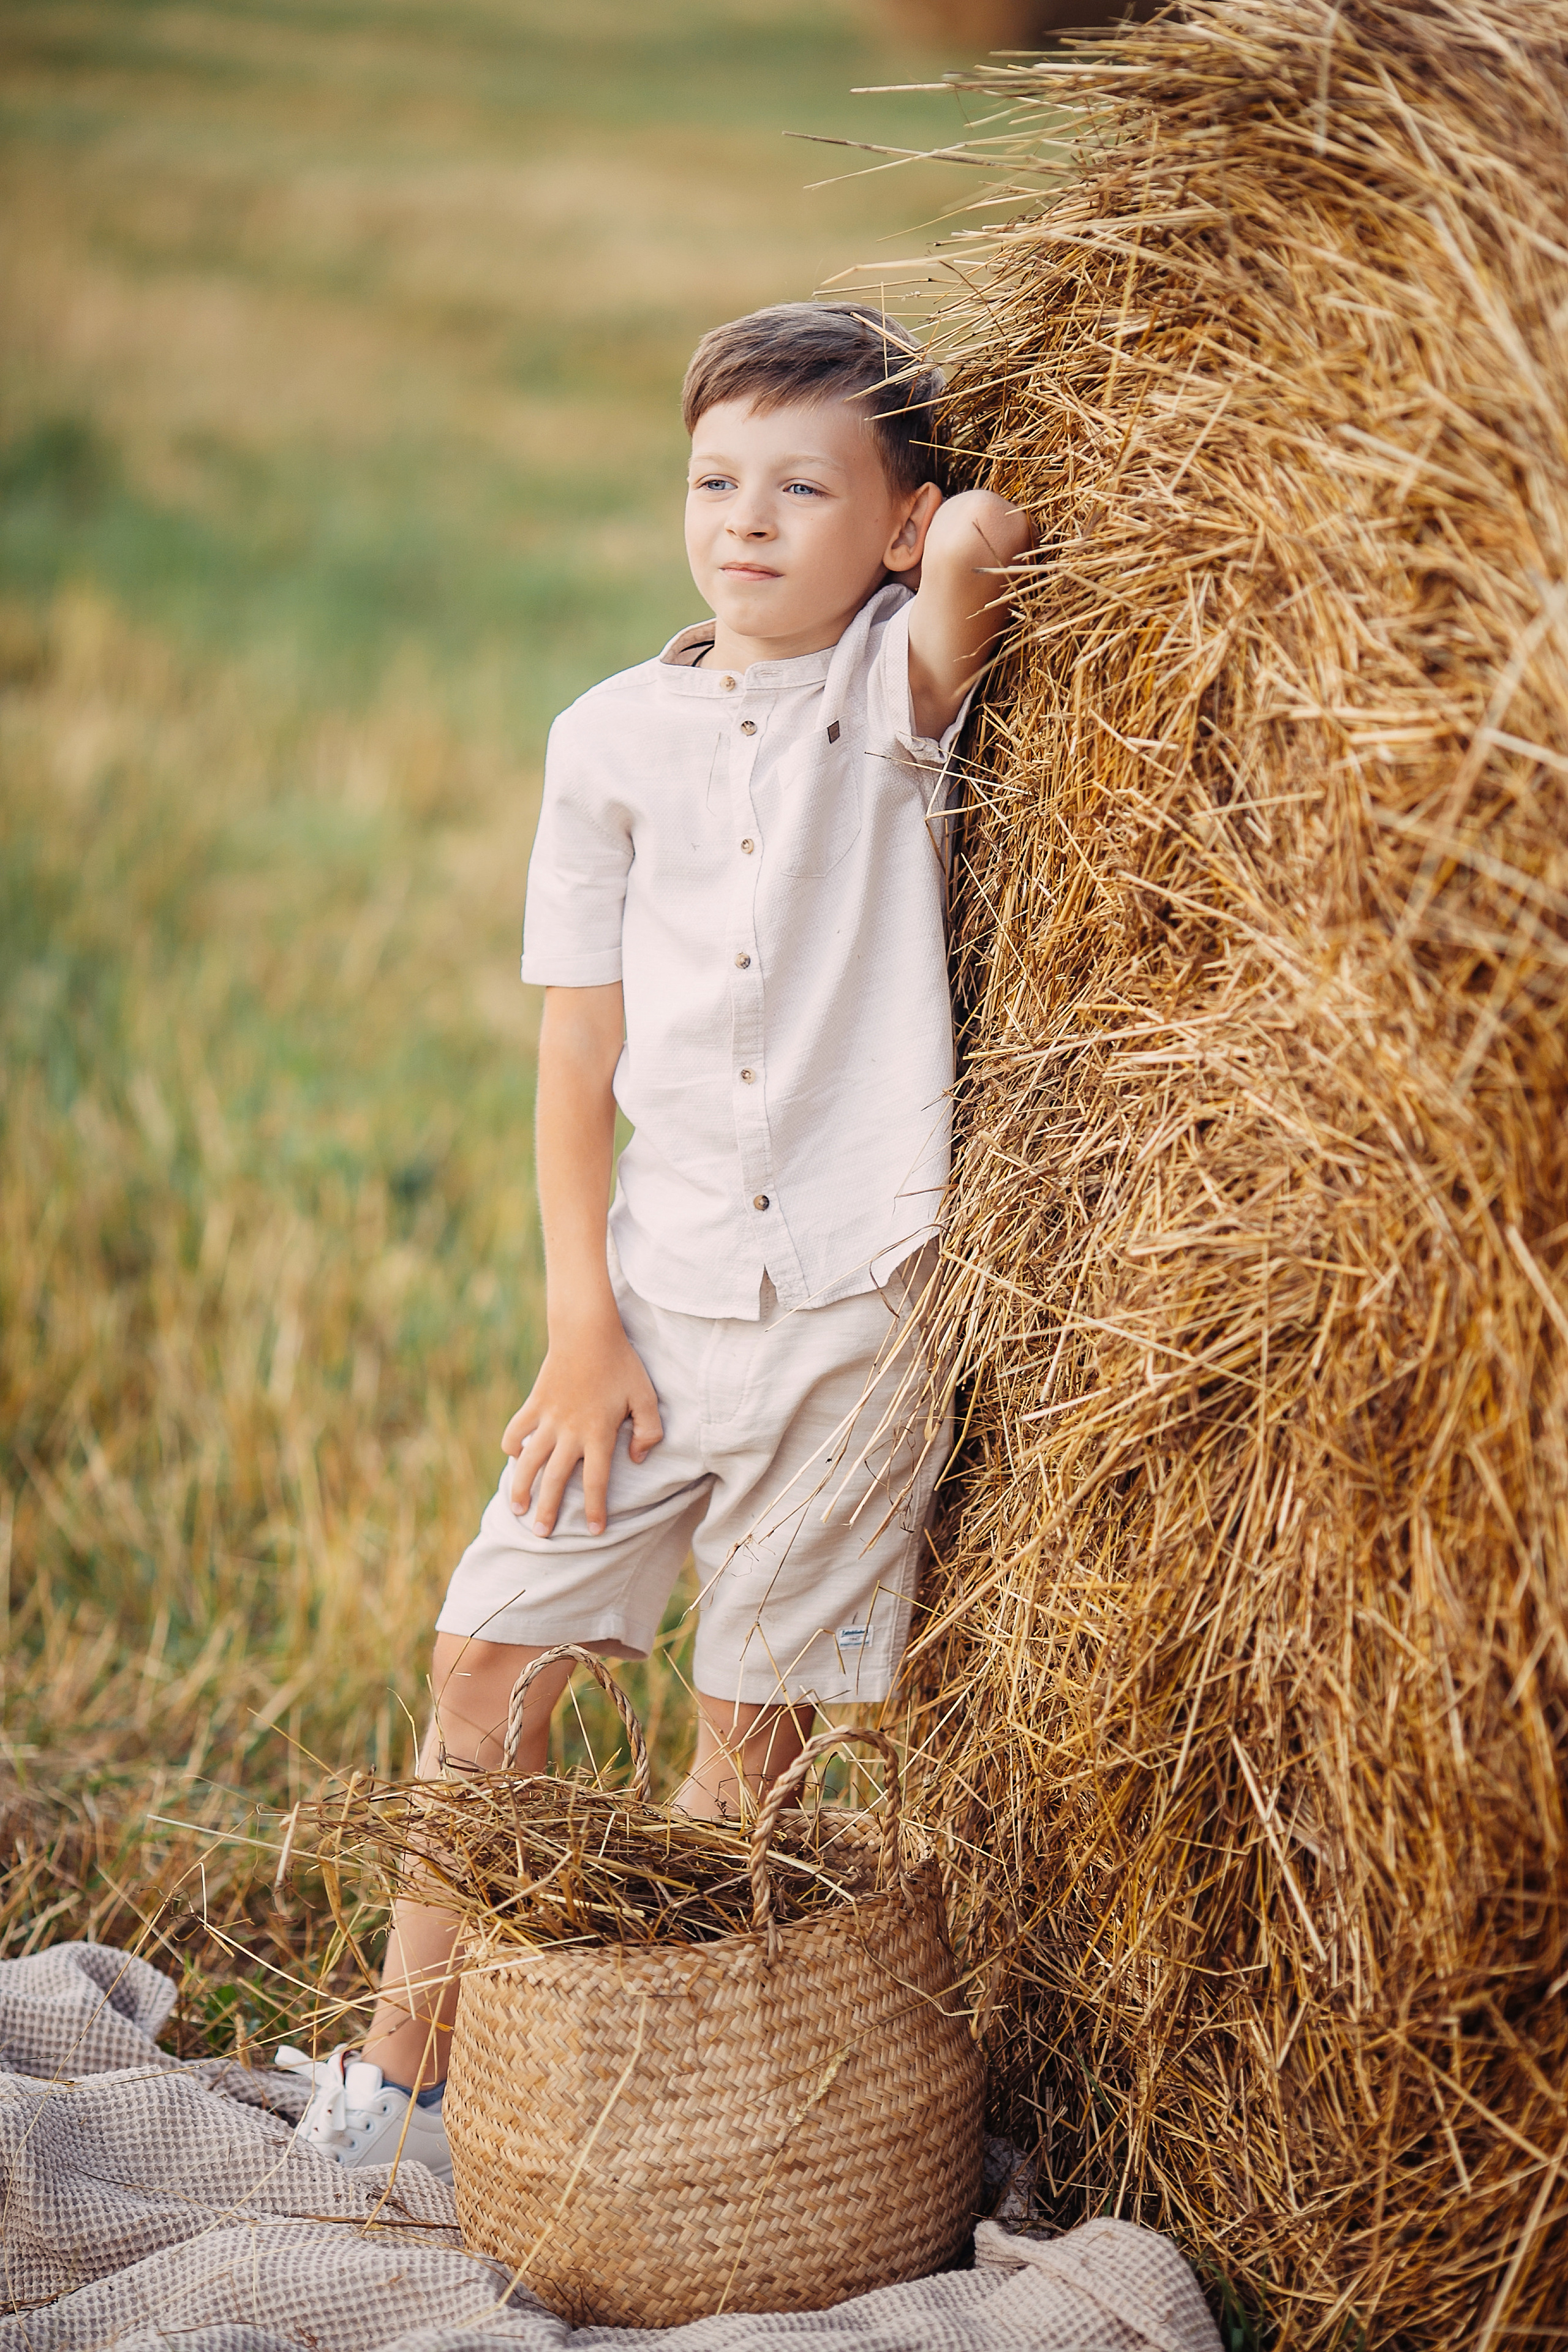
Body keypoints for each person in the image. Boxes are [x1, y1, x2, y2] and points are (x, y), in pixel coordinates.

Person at [283, 302, 1032, 2178]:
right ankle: (403, 2084)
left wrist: (930, 530)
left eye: (802, 487)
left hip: (856, 1315)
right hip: (652, 1307)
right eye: (713, 479)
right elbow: (576, 1044)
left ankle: (640, 2125)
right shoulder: (606, 738)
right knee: (487, 1665)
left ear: (884, 522)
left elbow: (982, 553)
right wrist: (577, 1323)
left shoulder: (891, 701)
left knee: (744, 1742)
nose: (745, 520)